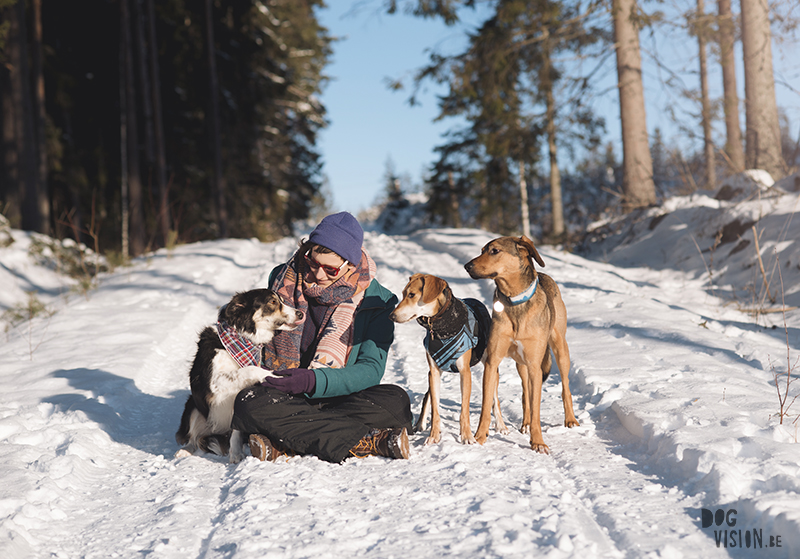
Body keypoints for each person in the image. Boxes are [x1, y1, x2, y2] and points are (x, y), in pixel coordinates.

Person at [230, 211, 413, 463]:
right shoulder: (282, 279)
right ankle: (369, 440)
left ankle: (285, 440)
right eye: (313, 262)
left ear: (351, 264)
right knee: (248, 402)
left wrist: (313, 381)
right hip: (283, 393)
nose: (318, 274)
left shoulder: (378, 300)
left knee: (396, 402)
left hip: (338, 395)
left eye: (330, 268)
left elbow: (370, 370)